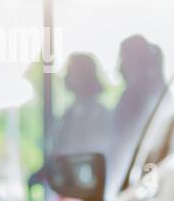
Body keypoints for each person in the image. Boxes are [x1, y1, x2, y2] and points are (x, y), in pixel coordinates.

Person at [28, 52, 112, 190]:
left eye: (71, 71)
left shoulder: (99, 115)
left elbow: (87, 158)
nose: (66, 76)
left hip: (81, 190)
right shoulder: (69, 113)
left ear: (85, 76)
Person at [106, 35, 166, 188]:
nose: (119, 66)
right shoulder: (156, 90)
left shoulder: (138, 95)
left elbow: (123, 145)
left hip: (135, 179)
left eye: (122, 57)